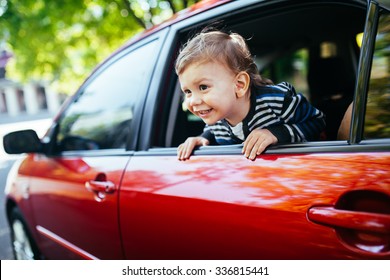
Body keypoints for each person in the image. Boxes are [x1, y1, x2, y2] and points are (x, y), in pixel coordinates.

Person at [175, 29, 325, 160]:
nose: (193, 101)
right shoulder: (217, 117)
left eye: (203, 87)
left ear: (239, 85)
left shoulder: (276, 100)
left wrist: (275, 133)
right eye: (187, 91)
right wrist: (203, 139)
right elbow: (213, 130)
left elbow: (317, 122)